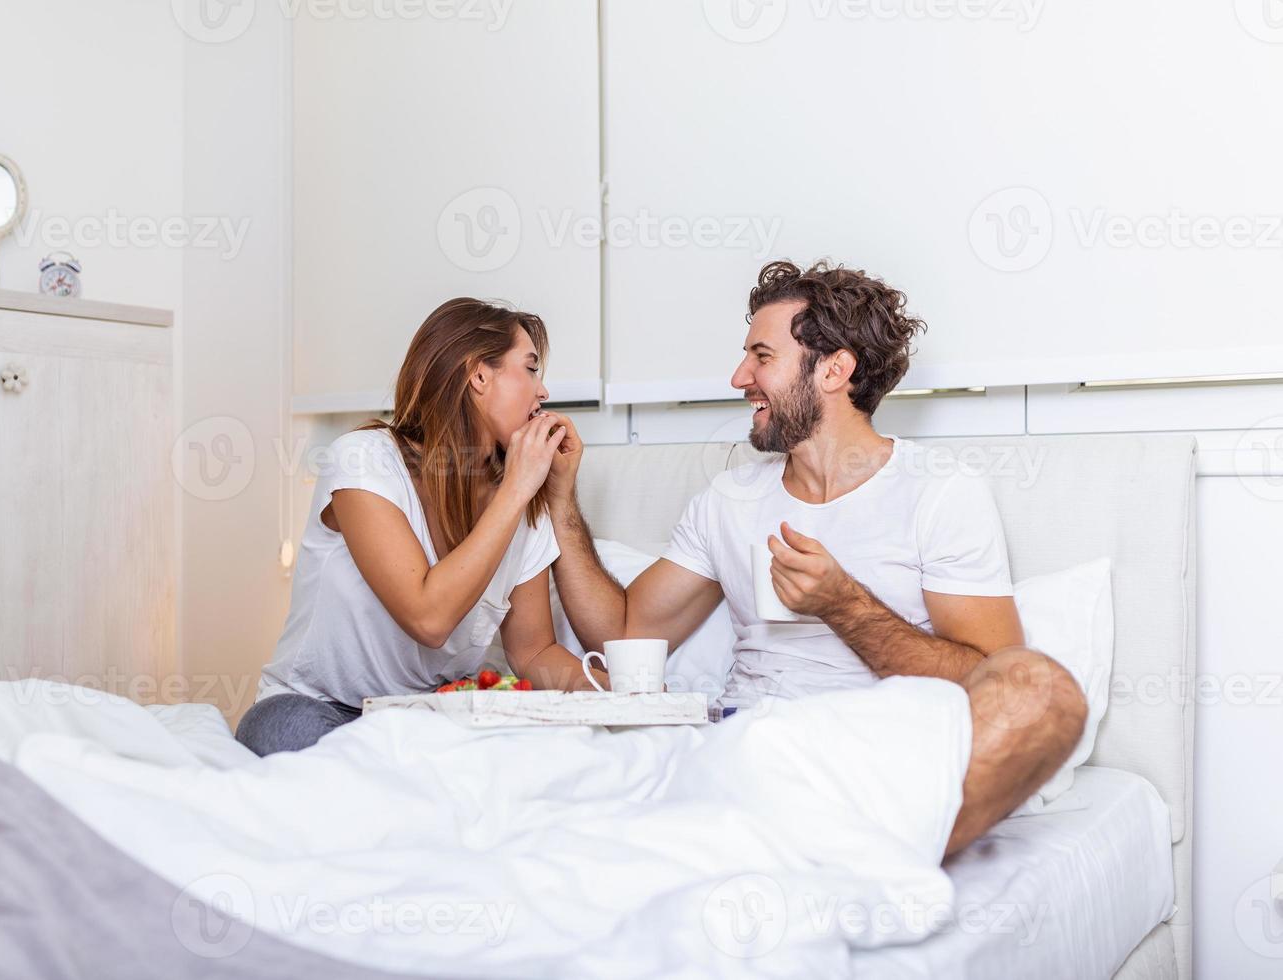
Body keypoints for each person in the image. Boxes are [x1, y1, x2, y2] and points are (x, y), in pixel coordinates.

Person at [543, 260, 1088, 854]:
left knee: (1043, 687)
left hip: (877, 753)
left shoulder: (938, 492)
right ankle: (819, 846)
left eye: (761, 356)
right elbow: (623, 633)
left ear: (835, 368)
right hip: (746, 747)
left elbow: (991, 678)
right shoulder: (729, 499)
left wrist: (844, 605)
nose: (738, 377)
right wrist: (560, 501)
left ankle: (873, 849)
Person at [239, 298, 601, 755]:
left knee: (526, 756)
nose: (543, 391)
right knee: (295, 740)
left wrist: (627, 696)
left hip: (433, 718)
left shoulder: (521, 500)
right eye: (530, 369)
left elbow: (533, 653)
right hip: (318, 707)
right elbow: (428, 618)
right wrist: (517, 488)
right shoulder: (365, 459)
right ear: (478, 375)